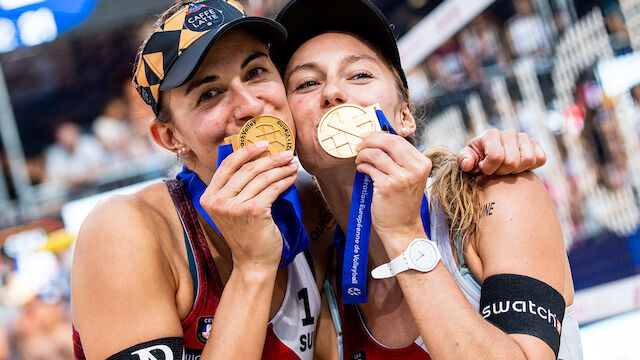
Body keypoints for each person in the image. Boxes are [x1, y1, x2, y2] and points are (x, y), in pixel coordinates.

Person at [71, 1, 547, 359]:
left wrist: (490, 157)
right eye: (210, 93)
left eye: (257, 72)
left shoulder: (321, 220)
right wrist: (255, 267)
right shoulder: (127, 232)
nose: (251, 106)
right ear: (170, 136)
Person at [275, 0, 582, 359]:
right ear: (290, 133)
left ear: (405, 115)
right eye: (307, 83)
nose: (332, 93)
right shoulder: (323, 270)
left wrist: (406, 237)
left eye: (360, 75)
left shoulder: (495, 197)